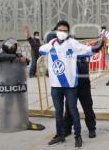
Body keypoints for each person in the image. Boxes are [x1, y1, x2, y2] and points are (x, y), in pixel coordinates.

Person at [39, 20, 104, 148]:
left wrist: (101, 42)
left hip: (76, 85)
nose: (62, 33)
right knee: (60, 112)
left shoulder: (74, 46)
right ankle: (61, 134)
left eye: (64, 31)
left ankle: (82, 134)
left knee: (81, 108)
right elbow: (41, 50)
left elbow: (91, 50)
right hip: (57, 86)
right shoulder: (52, 44)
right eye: (59, 30)